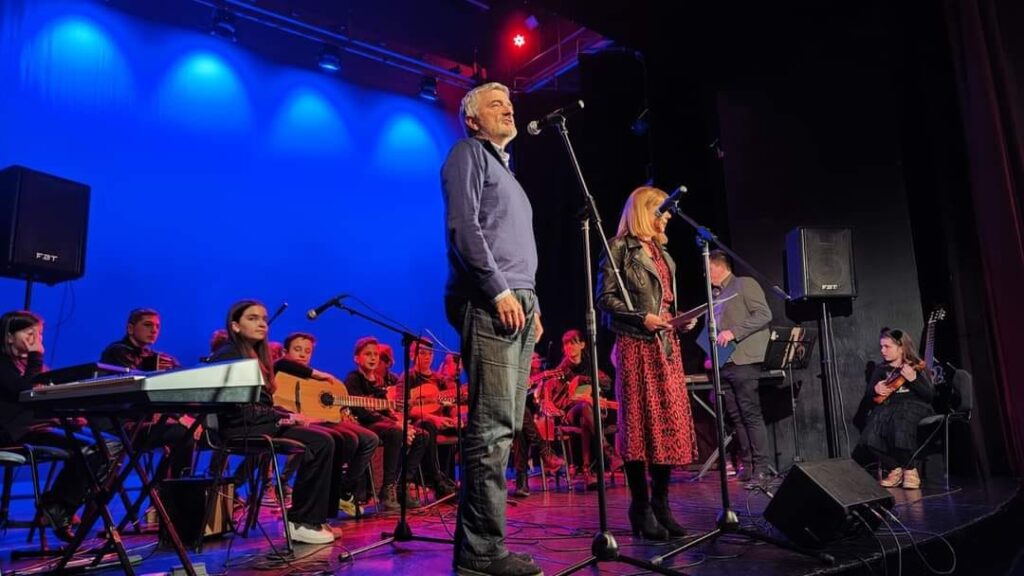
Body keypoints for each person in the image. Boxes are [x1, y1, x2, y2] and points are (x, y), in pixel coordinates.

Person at [442, 81, 544, 576]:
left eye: (509, 103)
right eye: (495, 105)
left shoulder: (507, 171)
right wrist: (499, 290)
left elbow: (513, 244)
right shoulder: (468, 153)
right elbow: (464, 227)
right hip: (491, 301)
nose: (508, 110)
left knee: (507, 427)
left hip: (519, 302)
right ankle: (481, 554)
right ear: (473, 120)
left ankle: (482, 548)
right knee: (491, 429)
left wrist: (532, 301)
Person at [597, 186, 698, 540]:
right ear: (643, 211)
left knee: (666, 424)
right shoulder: (619, 248)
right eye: (661, 210)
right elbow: (604, 298)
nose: (667, 215)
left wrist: (680, 319)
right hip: (636, 345)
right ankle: (640, 506)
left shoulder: (662, 253)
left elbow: (665, 301)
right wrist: (642, 317)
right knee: (639, 426)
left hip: (666, 346)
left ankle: (661, 504)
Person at [206, 299, 336, 545]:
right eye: (252, 318)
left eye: (264, 319)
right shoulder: (230, 355)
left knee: (328, 435)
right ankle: (300, 521)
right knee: (321, 442)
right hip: (239, 429)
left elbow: (260, 405)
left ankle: (315, 519)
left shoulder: (253, 355)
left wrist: (287, 415)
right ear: (235, 326)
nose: (262, 323)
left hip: (257, 423)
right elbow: (238, 410)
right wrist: (285, 418)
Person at [0, 311, 119, 542]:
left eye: (39, 334)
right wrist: (36, 356)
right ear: (9, 337)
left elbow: (46, 398)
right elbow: (25, 393)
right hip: (14, 433)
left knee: (111, 447)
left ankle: (57, 506)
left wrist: (69, 416)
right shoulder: (4, 364)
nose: (36, 339)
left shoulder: (30, 365)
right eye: (29, 333)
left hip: (38, 427)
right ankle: (58, 507)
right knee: (92, 450)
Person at [273, 332, 379, 517]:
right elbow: (279, 364)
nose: (303, 354)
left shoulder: (315, 382)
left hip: (320, 421)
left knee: (370, 439)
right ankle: (317, 496)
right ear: (285, 351)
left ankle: (341, 491)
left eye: (307, 351)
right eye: (297, 349)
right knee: (347, 439)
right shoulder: (281, 371)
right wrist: (317, 374)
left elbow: (327, 405)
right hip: (292, 424)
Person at [99, 308, 195, 479]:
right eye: (148, 325)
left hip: (142, 422)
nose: (154, 330)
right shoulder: (117, 352)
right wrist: (176, 416)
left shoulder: (157, 357)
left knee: (193, 427)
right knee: (184, 433)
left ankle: (166, 488)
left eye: (157, 326)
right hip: (121, 425)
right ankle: (168, 489)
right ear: (130, 328)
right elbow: (136, 391)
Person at [706, 249, 773, 487]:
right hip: (725, 362)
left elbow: (764, 314)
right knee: (736, 416)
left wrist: (733, 332)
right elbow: (715, 331)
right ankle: (748, 465)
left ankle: (762, 469)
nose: (705, 274)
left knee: (750, 413)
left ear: (717, 266)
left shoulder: (744, 284)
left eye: (707, 268)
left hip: (745, 360)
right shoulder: (714, 295)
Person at [343, 336, 430, 511]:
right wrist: (395, 425)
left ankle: (402, 484)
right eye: (368, 354)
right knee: (395, 432)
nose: (373, 358)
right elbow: (362, 412)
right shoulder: (353, 379)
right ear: (356, 358)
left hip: (383, 423)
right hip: (364, 425)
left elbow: (386, 410)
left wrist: (401, 423)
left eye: (375, 354)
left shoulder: (379, 381)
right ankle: (387, 488)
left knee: (422, 435)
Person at [855, 327, 933, 489]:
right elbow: (869, 395)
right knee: (868, 437)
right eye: (881, 347)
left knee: (900, 424)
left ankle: (910, 470)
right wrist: (875, 389)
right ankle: (895, 469)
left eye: (887, 347)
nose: (882, 351)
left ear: (901, 348)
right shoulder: (881, 369)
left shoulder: (915, 366)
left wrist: (913, 380)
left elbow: (929, 396)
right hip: (889, 407)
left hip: (914, 406)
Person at [536, 329, 614, 489]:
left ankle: (587, 472)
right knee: (584, 409)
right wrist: (575, 396)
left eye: (573, 343)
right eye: (566, 344)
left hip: (589, 415)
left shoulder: (589, 364)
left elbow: (607, 382)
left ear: (582, 345)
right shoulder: (561, 370)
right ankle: (608, 452)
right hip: (569, 414)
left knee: (585, 417)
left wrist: (581, 380)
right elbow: (557, 401)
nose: (569, 347)